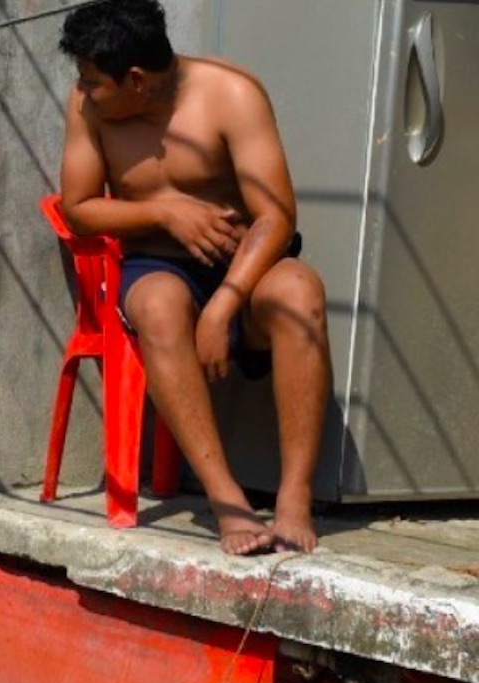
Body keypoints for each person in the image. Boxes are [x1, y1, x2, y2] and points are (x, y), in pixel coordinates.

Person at [58, 0, 331, 554]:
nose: (84, 91)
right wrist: (165, 213)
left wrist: (225, 304)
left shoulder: (231, 94)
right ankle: (227, 501)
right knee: (158, 304)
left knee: (300, 290)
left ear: (136, 79)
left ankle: (294, 497)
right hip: (158, 265)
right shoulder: (89, 107)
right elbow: (79, 207)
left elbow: (277, 215)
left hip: (247, 269)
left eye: (94, 81)